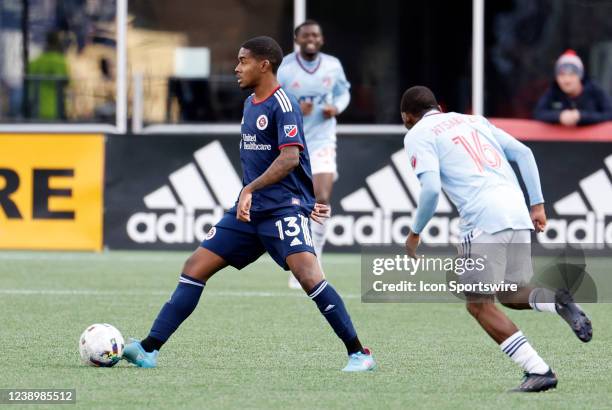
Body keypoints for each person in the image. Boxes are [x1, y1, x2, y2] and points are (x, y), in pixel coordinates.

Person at [122, 36, 376, 373]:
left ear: (264, 64)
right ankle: (148, 349)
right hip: (248, 213)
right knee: (195, 267)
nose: (236, 68)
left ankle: (359, 353)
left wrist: (251, 189)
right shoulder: (250, 103)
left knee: (309, 277)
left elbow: (289, 158)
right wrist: (249, 194)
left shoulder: (284, 104)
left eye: (243, 61)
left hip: (283, 209)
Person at [401, 86, 592, 392]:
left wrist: (414, 233)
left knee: (478, 304)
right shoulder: (473, 120)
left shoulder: (417, 134)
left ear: (407, 117)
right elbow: (524, 153)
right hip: (516, 210)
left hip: (482, 218)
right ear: (438, 106)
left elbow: (431, 190)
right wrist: (538, 204)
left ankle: (538, 370)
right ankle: (557, 301)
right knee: (509, 291)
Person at [277, 20, 351, 289]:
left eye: (316, 35)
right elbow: (274, 99)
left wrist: (336, 107)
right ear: (297, 38)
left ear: (321, 39)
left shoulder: (333, 65)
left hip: (322, 141)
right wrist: (296, 108)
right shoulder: (285, 67)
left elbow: (344, 93)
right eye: (306, 35)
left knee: (321, 197)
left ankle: (315, 257)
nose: (312, 39)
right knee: (293, 203)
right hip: (292, 141)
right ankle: (298, 259)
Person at [534, 49, 612, 126]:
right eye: (561, 75)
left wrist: (581, 116)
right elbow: (538, 113)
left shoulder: (594, 90)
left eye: (572, 74)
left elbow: (609, 114)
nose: (567, 80)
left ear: (580, 76)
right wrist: (559, 116)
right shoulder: (554, 90)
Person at [27, 31, 69, 120]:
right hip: (55, 110)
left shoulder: (36, 61)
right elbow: (67, 83)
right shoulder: (59, 61)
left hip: (35, 110)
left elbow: (28, 80)